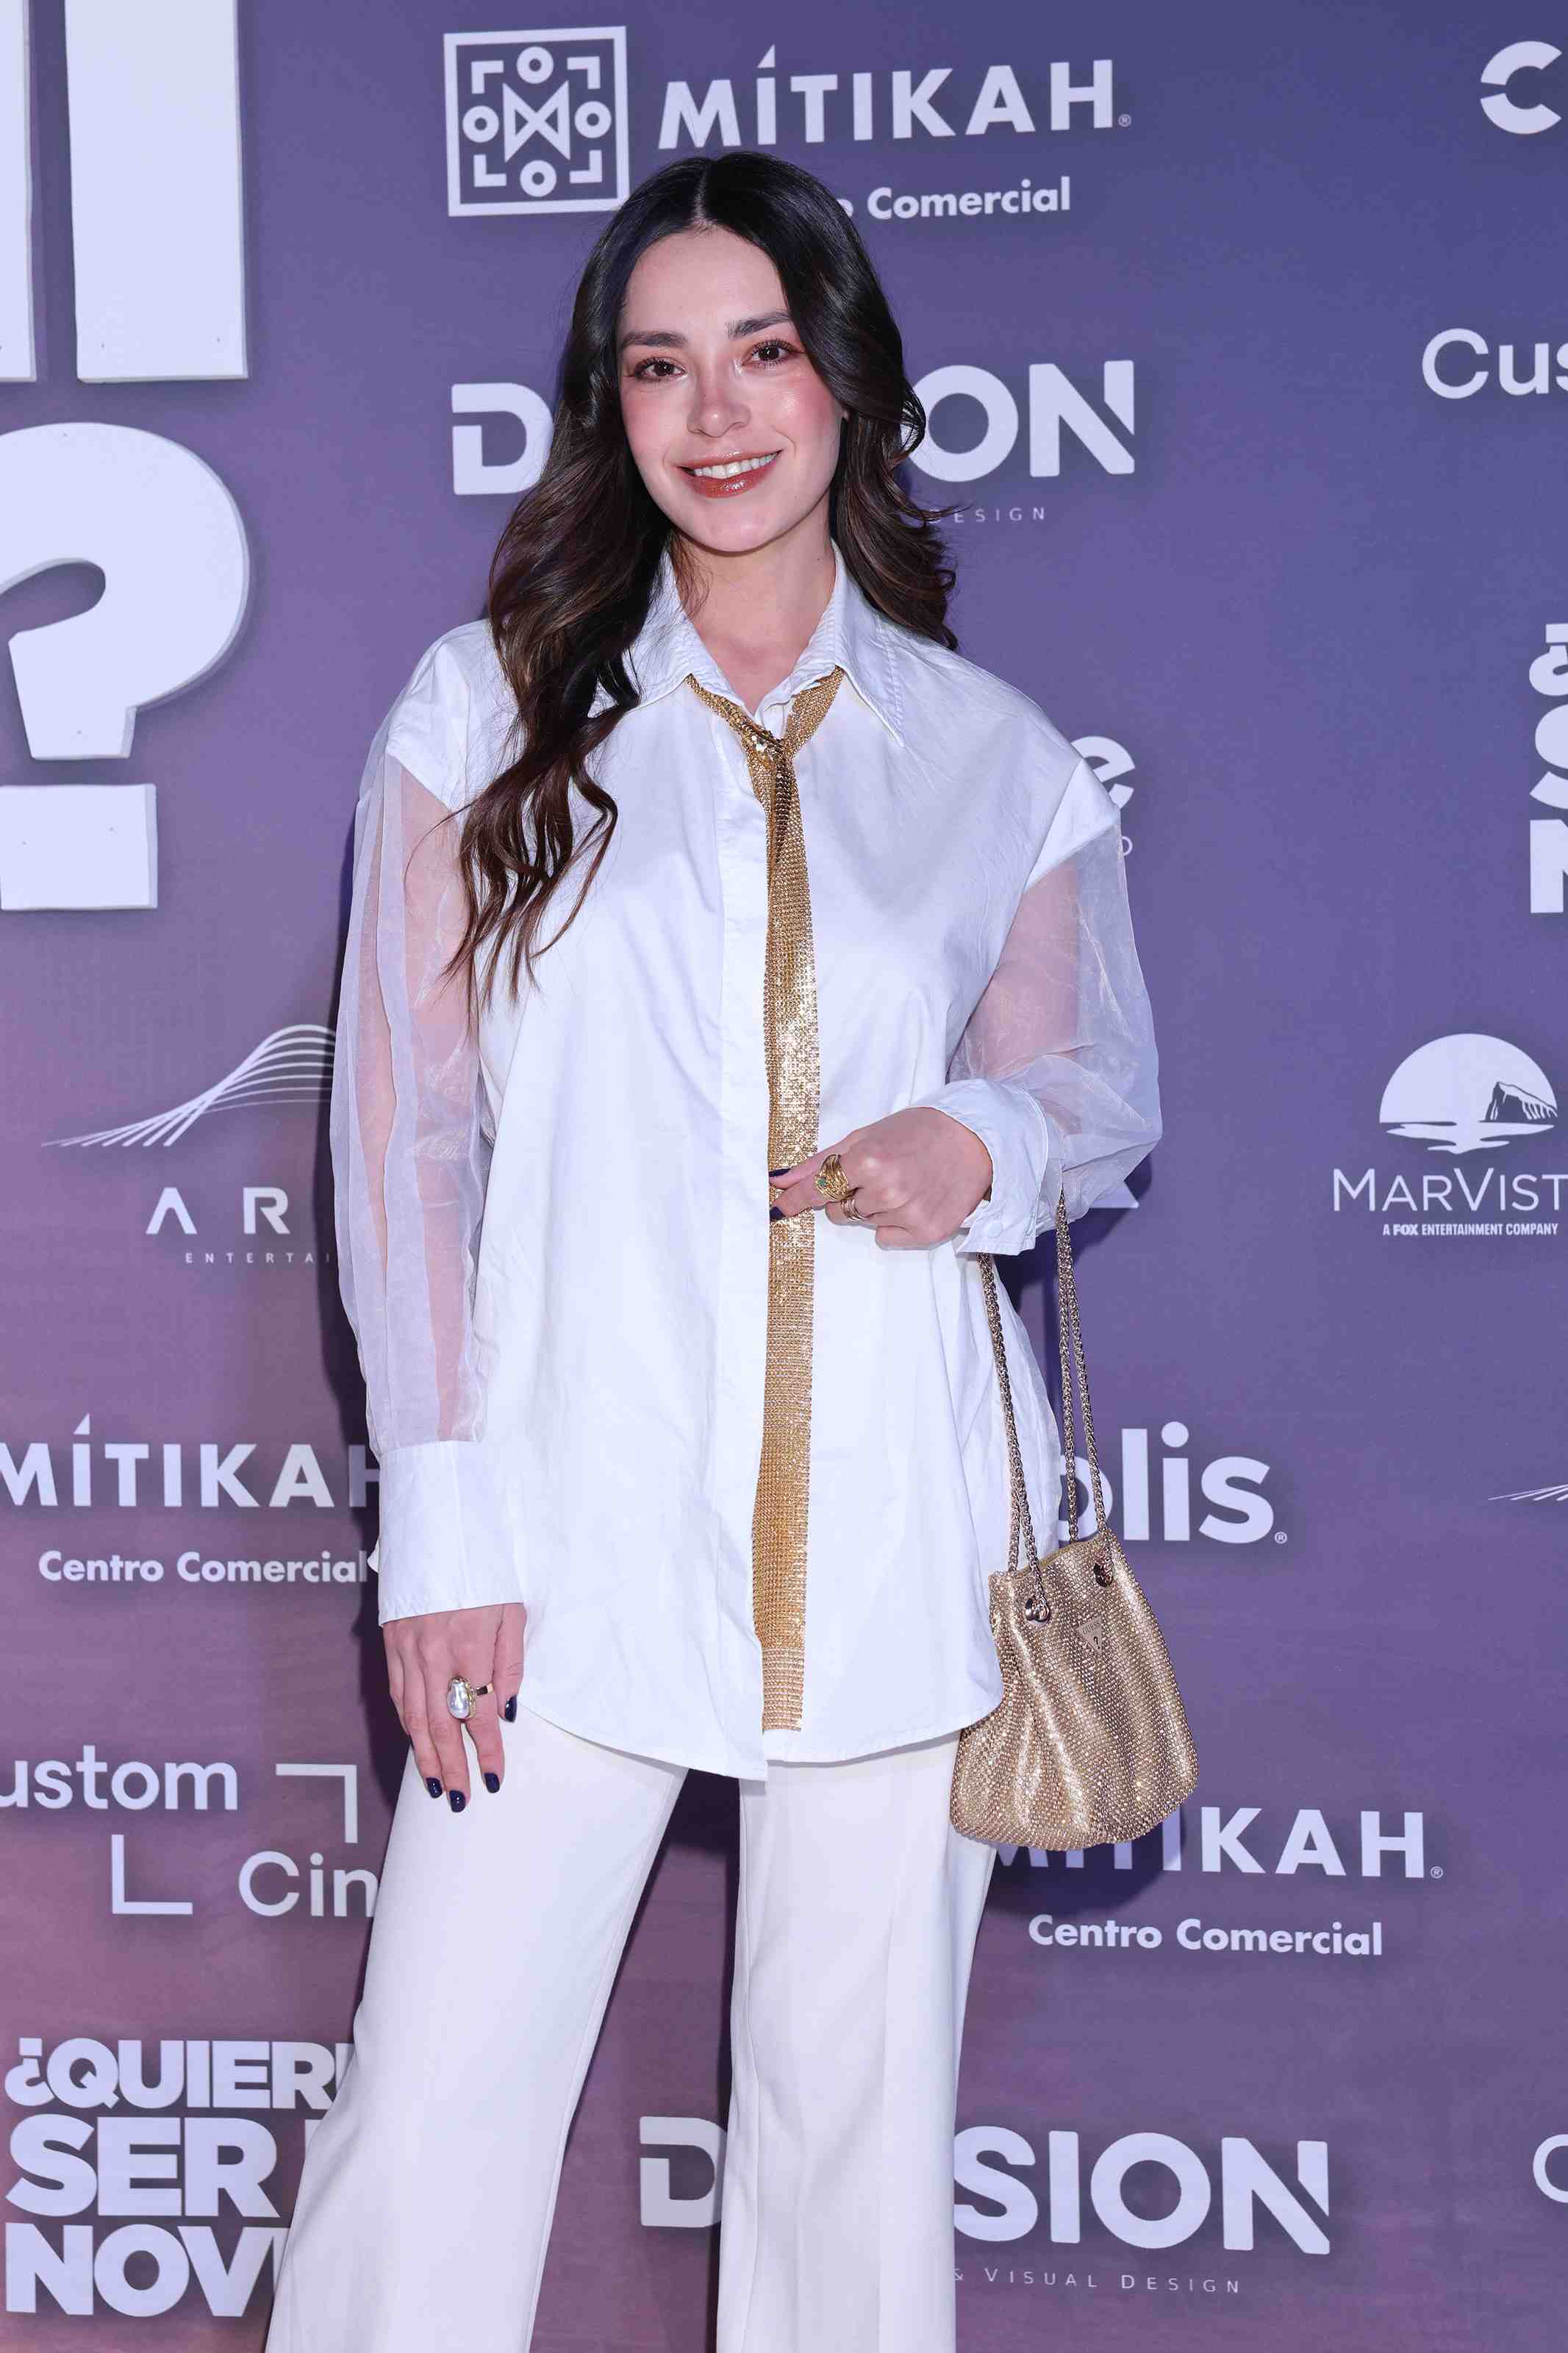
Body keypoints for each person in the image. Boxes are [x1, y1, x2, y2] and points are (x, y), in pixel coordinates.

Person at [266, 149, 1160, 2353]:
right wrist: (442, 1521)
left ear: (848, 377)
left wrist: (979, 1138)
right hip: (566, 1511)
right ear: (613, 406)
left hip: (907, 1529)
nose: (718, 410)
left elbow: (1092, 1087)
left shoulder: (993, 759)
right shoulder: (486, 710)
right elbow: (409, 1138)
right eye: (661, 366)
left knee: (854, 2156)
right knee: (427, 2128)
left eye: (763, 350)